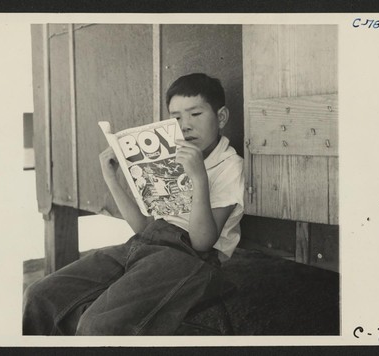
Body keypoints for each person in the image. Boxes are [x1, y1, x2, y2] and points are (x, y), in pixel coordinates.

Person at [22, 73, 245, 335]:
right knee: (40, 295)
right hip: (145, 244)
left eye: (195, 114)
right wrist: (112, 179)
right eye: (176, 117)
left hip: (190, 259)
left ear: (221, 117)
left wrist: (198, 177)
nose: (185, 125)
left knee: (98, 324)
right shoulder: (170, 156)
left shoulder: (230, 165)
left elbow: (202, 242)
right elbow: (144, 227)